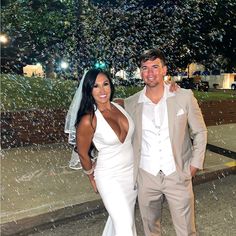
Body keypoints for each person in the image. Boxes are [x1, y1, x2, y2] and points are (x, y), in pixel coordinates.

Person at [124, 48, 207, 236]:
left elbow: (200, 132)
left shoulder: (184, 96)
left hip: (177, 174)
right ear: (140, 72)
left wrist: (194, 165)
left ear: (164, 70)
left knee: (186, 231)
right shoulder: (131, 103)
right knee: (150, 230)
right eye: (145, 68)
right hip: (146, 176)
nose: (150, 72)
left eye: (155, 67)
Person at [65, 68, 137, 236]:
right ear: (89, 90)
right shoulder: (88, 120)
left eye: (105, 84)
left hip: (131, 176)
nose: (102, 90)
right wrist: (91, 175)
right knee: (124, 225)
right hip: (109, 177)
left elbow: (144, 99)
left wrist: (169, 87)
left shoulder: (120, 105)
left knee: (122, 221)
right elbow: (82, 153)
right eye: (96, 86)